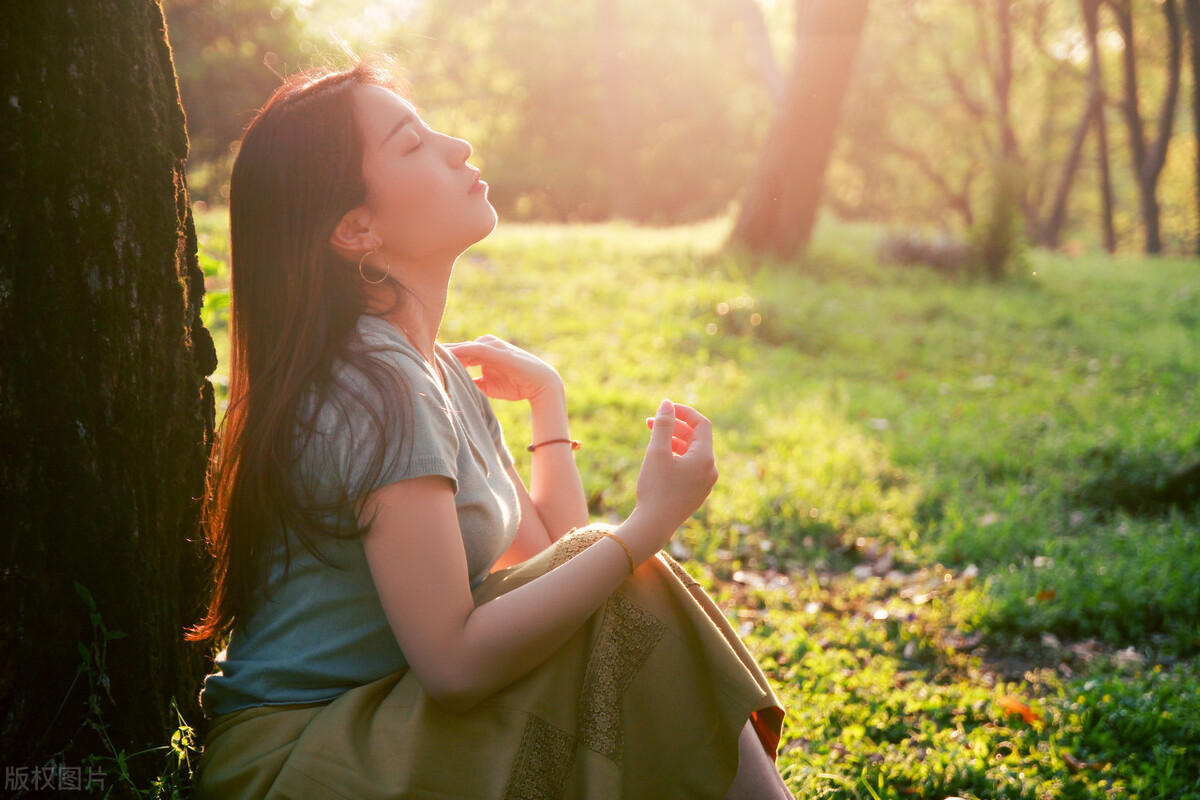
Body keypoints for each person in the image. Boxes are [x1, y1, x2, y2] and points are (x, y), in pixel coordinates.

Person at [186, 51, 789, 799]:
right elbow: (456, 667)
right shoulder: (378, 387)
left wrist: (548, 407)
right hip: (302, 759)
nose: (458, 147)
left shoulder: (428, 370)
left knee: (623, 586)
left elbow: (556, 574)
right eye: (411, 144)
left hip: (381, 725)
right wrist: (647, 524)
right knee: (634, 579)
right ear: (355, 228)